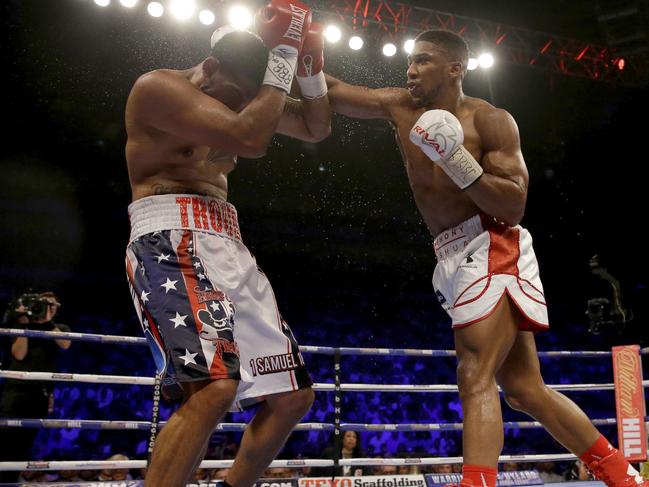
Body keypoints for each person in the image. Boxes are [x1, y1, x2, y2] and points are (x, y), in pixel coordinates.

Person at [324, 29, 647, 487]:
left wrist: (456, 159)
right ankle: (625, 478)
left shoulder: (491, 120)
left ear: (455, 68)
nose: (411, 69)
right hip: (450, 253)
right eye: (410, 61)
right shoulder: (400, 106)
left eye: (424, 60)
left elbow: (513, 205)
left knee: (474, 372)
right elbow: (332, 92)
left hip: (491, 242)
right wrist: (295, 48)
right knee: (524, 390)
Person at [123, 0, 330, 485]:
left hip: (229, 244)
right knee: (213, 390)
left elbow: (315, 128)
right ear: (209, 69)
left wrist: (309, 67)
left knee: (292, 397)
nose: (239, 106)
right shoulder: (159, 88)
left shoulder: (239, 95)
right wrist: (282, 52)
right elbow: (250, 138)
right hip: (170, 238)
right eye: (235, 96)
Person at [0, 291, 71, 482]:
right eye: (44, 304)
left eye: (52, 305)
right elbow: (19, 355)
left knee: (24, 443)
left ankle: (9, 481)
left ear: (56, 308)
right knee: (5, 438)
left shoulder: (60, 328)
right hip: (16, 389)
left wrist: (47, 321)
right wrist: (24, 325)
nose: (48, 308)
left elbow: (65, 344)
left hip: (40, 393)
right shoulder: (22, 324)